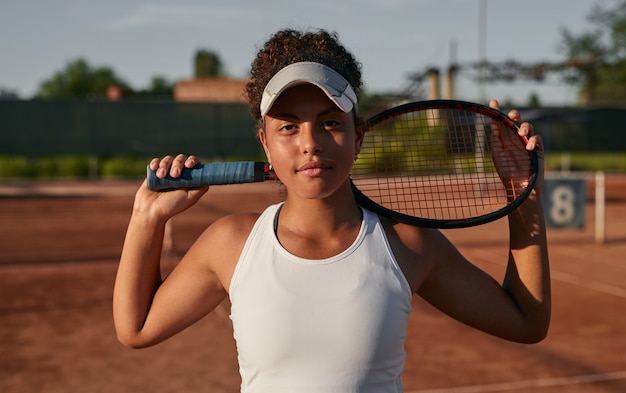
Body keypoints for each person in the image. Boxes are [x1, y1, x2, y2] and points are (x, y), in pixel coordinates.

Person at [113, 28, 550, 392]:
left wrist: (522, 192)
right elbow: (136, 328)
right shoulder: (230, 244)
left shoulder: (406, 245)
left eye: (329, 122)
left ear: (358, 136)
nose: (310, 142)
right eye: (288, 126)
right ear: (265, 142)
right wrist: (146, 217)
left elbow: (526, 322)